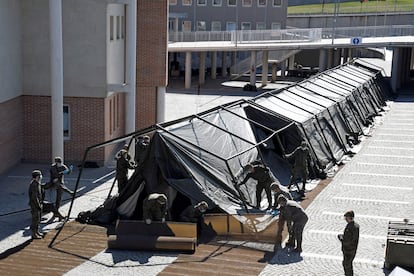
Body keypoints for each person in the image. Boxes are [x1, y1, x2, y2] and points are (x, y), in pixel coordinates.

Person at [338, 210, 359, 276]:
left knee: (347, 265)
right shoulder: (356, 225)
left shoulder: (349, 228)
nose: (345, 220)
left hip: (348, 250)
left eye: (346, 218)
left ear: (349, 218)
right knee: (349, 265)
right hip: (353, 249)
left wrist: (341, 238)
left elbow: (347, 241)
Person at [28, 170, 44, 239]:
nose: (41, 177)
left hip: (37, 203)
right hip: (35, 205)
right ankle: (34, 233)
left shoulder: (37, 183)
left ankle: (37, 231)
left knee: (38, 219)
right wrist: (38, 205)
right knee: (35, 219)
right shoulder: (34, 185)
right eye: (40, 175)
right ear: (37, 176)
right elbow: (35, 197)